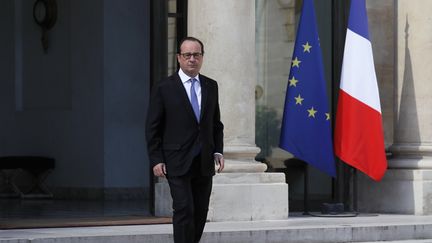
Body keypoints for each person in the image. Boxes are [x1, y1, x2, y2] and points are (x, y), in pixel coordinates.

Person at [146, 36, 224, 243]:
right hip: (176, 160)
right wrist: (156, 159)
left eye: (196, 55)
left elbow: (216, 124)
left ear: (202, 58)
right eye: (187, 55)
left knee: (200, 211)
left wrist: (218, 151)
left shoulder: (211, 86)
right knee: (184, 209)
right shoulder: (164, 88)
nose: (192, 59)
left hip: (204, 160)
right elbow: (152, 127)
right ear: (179, 58)